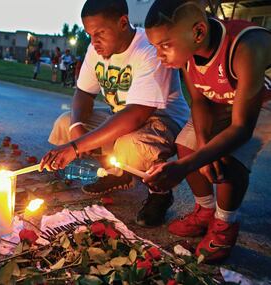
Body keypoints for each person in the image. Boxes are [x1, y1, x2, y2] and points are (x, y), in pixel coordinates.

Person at [40, 0, 190, 227]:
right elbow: (83, 92)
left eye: (99, 33)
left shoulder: (149, 48)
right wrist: (76, 129)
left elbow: (138, 114)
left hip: (161, 119)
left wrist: (76, 146)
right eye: (89, 34)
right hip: (121, 115)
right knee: (65, 123)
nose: (94, 42)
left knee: (129, 145)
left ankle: (160, 193)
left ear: (123, 22)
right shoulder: (95, 50)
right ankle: (116, 172)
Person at [143, 0, 271, 262]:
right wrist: (201, 147)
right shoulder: (188, 51)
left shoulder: (245, 46)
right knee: (187, 144)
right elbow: (200, 100)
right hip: (224, 98)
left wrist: (185, 167)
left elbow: (242, 128)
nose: (159, 55)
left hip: (262, 99)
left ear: (198, 32)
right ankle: (205, 210)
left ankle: (225, 223)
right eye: (155, 46)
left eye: (164, 45)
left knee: (229, 155)